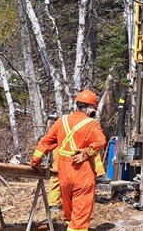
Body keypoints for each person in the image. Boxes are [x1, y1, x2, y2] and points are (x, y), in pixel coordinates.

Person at [31, 90, 106, 231]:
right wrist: (86, 152)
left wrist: (36, 161)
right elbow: (101, 141)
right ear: (91, 109)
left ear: (77, 105)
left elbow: (45, 142)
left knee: (69, 213)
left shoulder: (62, 120)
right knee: (80, 215)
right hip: (82, 174)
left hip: (64, 175)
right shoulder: (92, 124)